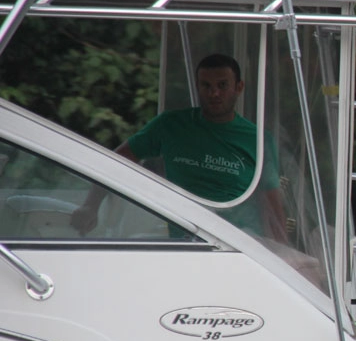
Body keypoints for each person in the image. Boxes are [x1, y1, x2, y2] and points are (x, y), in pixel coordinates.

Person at [71, 54, 287, 241]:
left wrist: (282, 251)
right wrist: (91, 205)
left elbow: (271, 202)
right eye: (206, 86)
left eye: (222, 85)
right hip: (187, 240)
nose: (214, 93)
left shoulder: (258, 140)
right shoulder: (171, 125)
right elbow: (118, 160)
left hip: (241, 242)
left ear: (238, 87)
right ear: (197, 86)